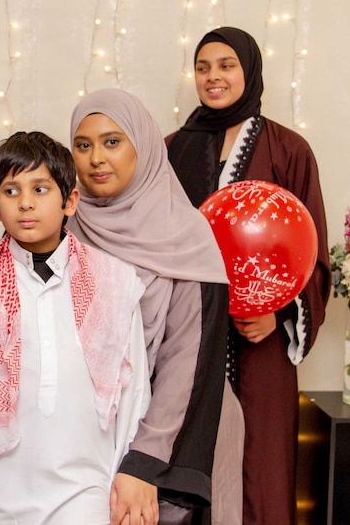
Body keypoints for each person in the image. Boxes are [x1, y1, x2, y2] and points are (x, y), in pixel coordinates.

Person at [0, 131, 151, 524]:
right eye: (11, 191)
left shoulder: (112, 283)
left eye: (41, 188)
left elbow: (133, 397)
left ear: (70, 201)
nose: (26, 203)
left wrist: (129, 475)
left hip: (88, 488)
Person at [165, 27, 330, 525]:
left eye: (226, 65)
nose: (213, 77)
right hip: (188, 335)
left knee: (261, 462)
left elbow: (312, 248)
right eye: (203, 67)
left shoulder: (287, 149)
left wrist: (278, 314)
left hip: (260, 343)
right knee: (186, 458)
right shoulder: (172, 149)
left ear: (250, 70)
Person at [67, 88, 236, 525]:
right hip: (87, 436)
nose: (96, 158)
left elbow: (189, 364)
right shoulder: (64, 226)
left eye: (112, 141)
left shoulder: (186, 236)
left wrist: (145, 463)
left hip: (174, 433)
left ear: (142, 145)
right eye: (83, 145)